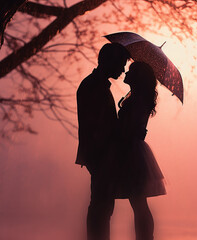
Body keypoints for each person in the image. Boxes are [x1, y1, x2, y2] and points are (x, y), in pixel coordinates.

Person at [75, 43, 129, 240]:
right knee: (101, 205)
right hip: (101, 154)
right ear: (109, 61)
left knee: (103, 205)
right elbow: (96, 125)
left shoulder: (95, 85)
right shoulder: (93, 86)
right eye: (121, 64)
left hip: (101, 154)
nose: (123, 70)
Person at [114, 61, 166, 240]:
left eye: (130, 71)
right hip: (132, 150)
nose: (125, 73)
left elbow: (131, 127)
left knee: (138, 202)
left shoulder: (137, 100)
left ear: (137, 77)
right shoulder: (137, 97)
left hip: (131, 152)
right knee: (138, 202)